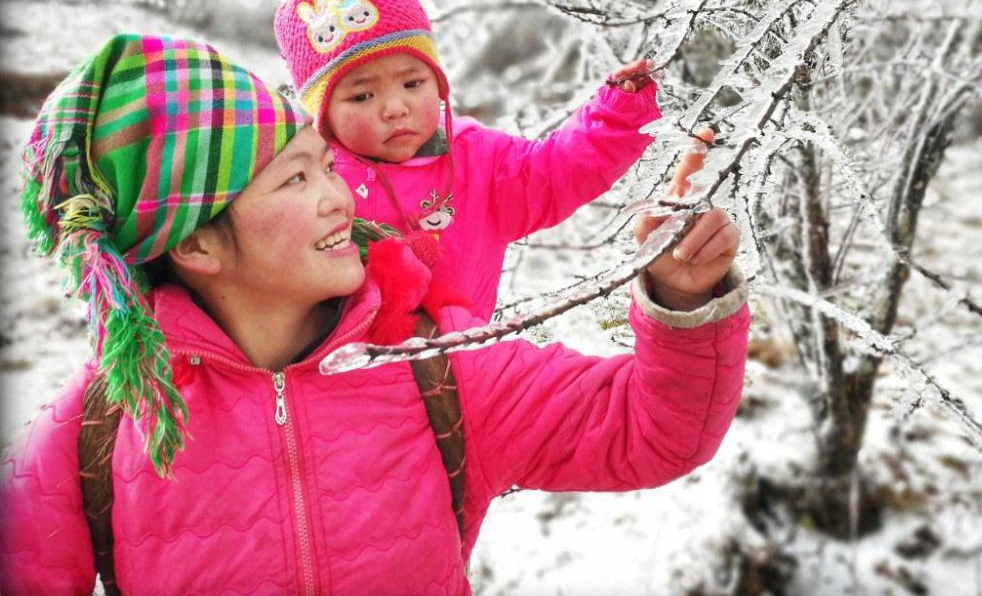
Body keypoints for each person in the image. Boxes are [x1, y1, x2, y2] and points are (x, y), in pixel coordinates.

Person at [0, 34, 749, 594]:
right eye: (295, 178)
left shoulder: (438, 372)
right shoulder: (97, 433)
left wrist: (683, 298)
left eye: (326, 165)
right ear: (195, 241)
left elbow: (653, 433)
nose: (338, 197)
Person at [274, 0, 662, 321]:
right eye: (362, 95)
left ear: (438, 83)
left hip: (460, 371)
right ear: (322, 113)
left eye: (412, 84)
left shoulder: (480, 163)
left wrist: (616, 115)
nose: (394, 108)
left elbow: (556, 172)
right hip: (346, 375)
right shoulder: (311, 182)